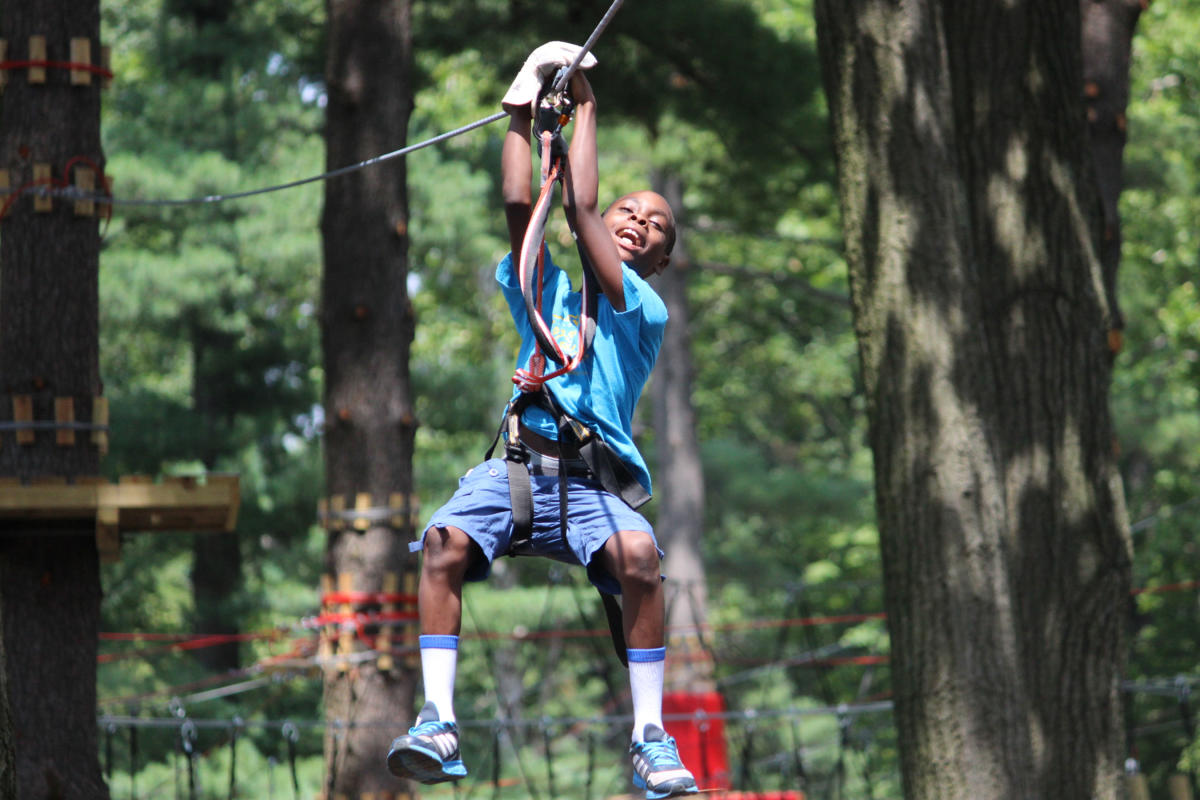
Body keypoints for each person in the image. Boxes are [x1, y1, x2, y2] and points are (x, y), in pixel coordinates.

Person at [386, 43, 699, 800]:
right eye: (631, 209)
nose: (637, 222)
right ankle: (438, 718)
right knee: (441, 544)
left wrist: (586, 102)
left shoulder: (641, 309)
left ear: (657, 262)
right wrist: (522, 121)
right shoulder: (547, 295)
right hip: (522, 467)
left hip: (591, 480)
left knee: (638, 558)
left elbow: (577, 207)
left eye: (654, 226)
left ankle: (650, 737)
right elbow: (523, 211)